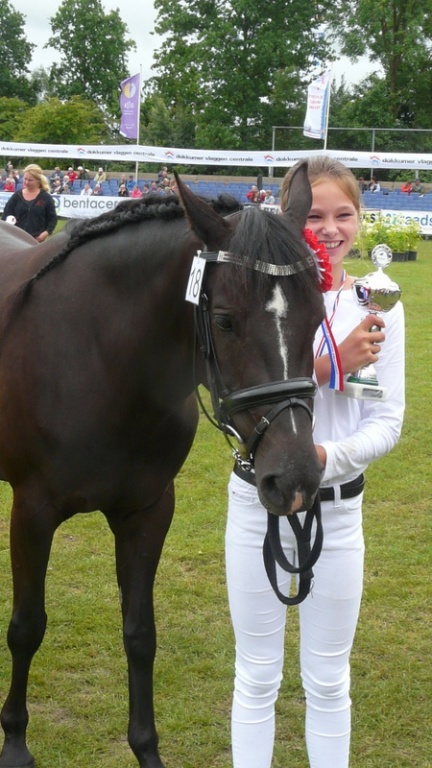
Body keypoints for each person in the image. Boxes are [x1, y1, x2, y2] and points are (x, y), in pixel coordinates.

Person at [225, 156, 405, 768]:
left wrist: (324, 458)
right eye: (316, 216)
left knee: (329, 681)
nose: (330, 228)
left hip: (338, 510)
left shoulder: (379, 301)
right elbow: (240, 398)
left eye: (344, 214)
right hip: (258, 503)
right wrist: (331, 367)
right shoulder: (257, 294)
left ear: (360, 218)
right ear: (290, 217)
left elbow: (387, 422)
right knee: (256, 674)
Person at [1, 163, 57, 242]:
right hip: (16, 241)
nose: (26, 182)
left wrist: (45, 234)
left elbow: (52, 219)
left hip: (36, 242)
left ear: (38, 180)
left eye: (30, 180)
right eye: (25, 179)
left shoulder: (46, 198)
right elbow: (5, 216)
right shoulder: (17, 196)